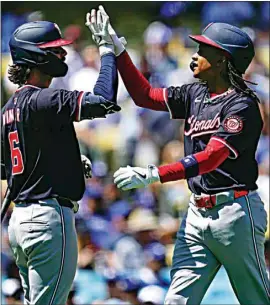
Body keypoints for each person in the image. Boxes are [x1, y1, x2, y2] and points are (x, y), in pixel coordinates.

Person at [88, 6, 270, 305]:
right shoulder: (194, 93)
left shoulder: (243, 105)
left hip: (234, 213)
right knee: (176, 301)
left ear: (223, 60)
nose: (195, 55)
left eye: (204, 50)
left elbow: (212, 158)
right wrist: (119, 50)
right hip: (197, 212)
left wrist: (155, 173)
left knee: (255, 299)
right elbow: (144, 96)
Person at [1, 16, 120, 305]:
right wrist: (107, 51)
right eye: (55, 49)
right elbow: (104, 101)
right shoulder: (45, 99)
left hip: (20, 221)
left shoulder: (7, 110)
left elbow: (11, 170)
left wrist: (62, 161)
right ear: (35, 55)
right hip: (47, 219)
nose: (63, 54)